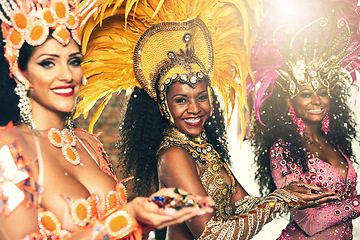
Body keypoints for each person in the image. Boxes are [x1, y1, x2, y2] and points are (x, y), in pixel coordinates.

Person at [75, 0, 341, 239]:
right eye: (181, 100)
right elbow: (213, 234)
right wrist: (277, 202)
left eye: (201, 97)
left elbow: (243, 205)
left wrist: (285, 195)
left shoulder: (203, 148)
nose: (195, 108)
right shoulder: (173, 155)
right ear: (163, 107)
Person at [0, 1, 215, 239]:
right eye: (48, 63)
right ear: (21, 71)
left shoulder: (89, 145)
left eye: (74, 61)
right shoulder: (8, 148)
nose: (67, 75)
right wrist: (129, 216)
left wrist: (147, 214)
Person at [249, 0, 360, 238]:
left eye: (322, 93)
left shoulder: (335, 141)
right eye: (306, 94)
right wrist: (357, 204)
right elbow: (309, 221)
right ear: (291, 102)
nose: (316, 101)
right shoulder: (283, 150)